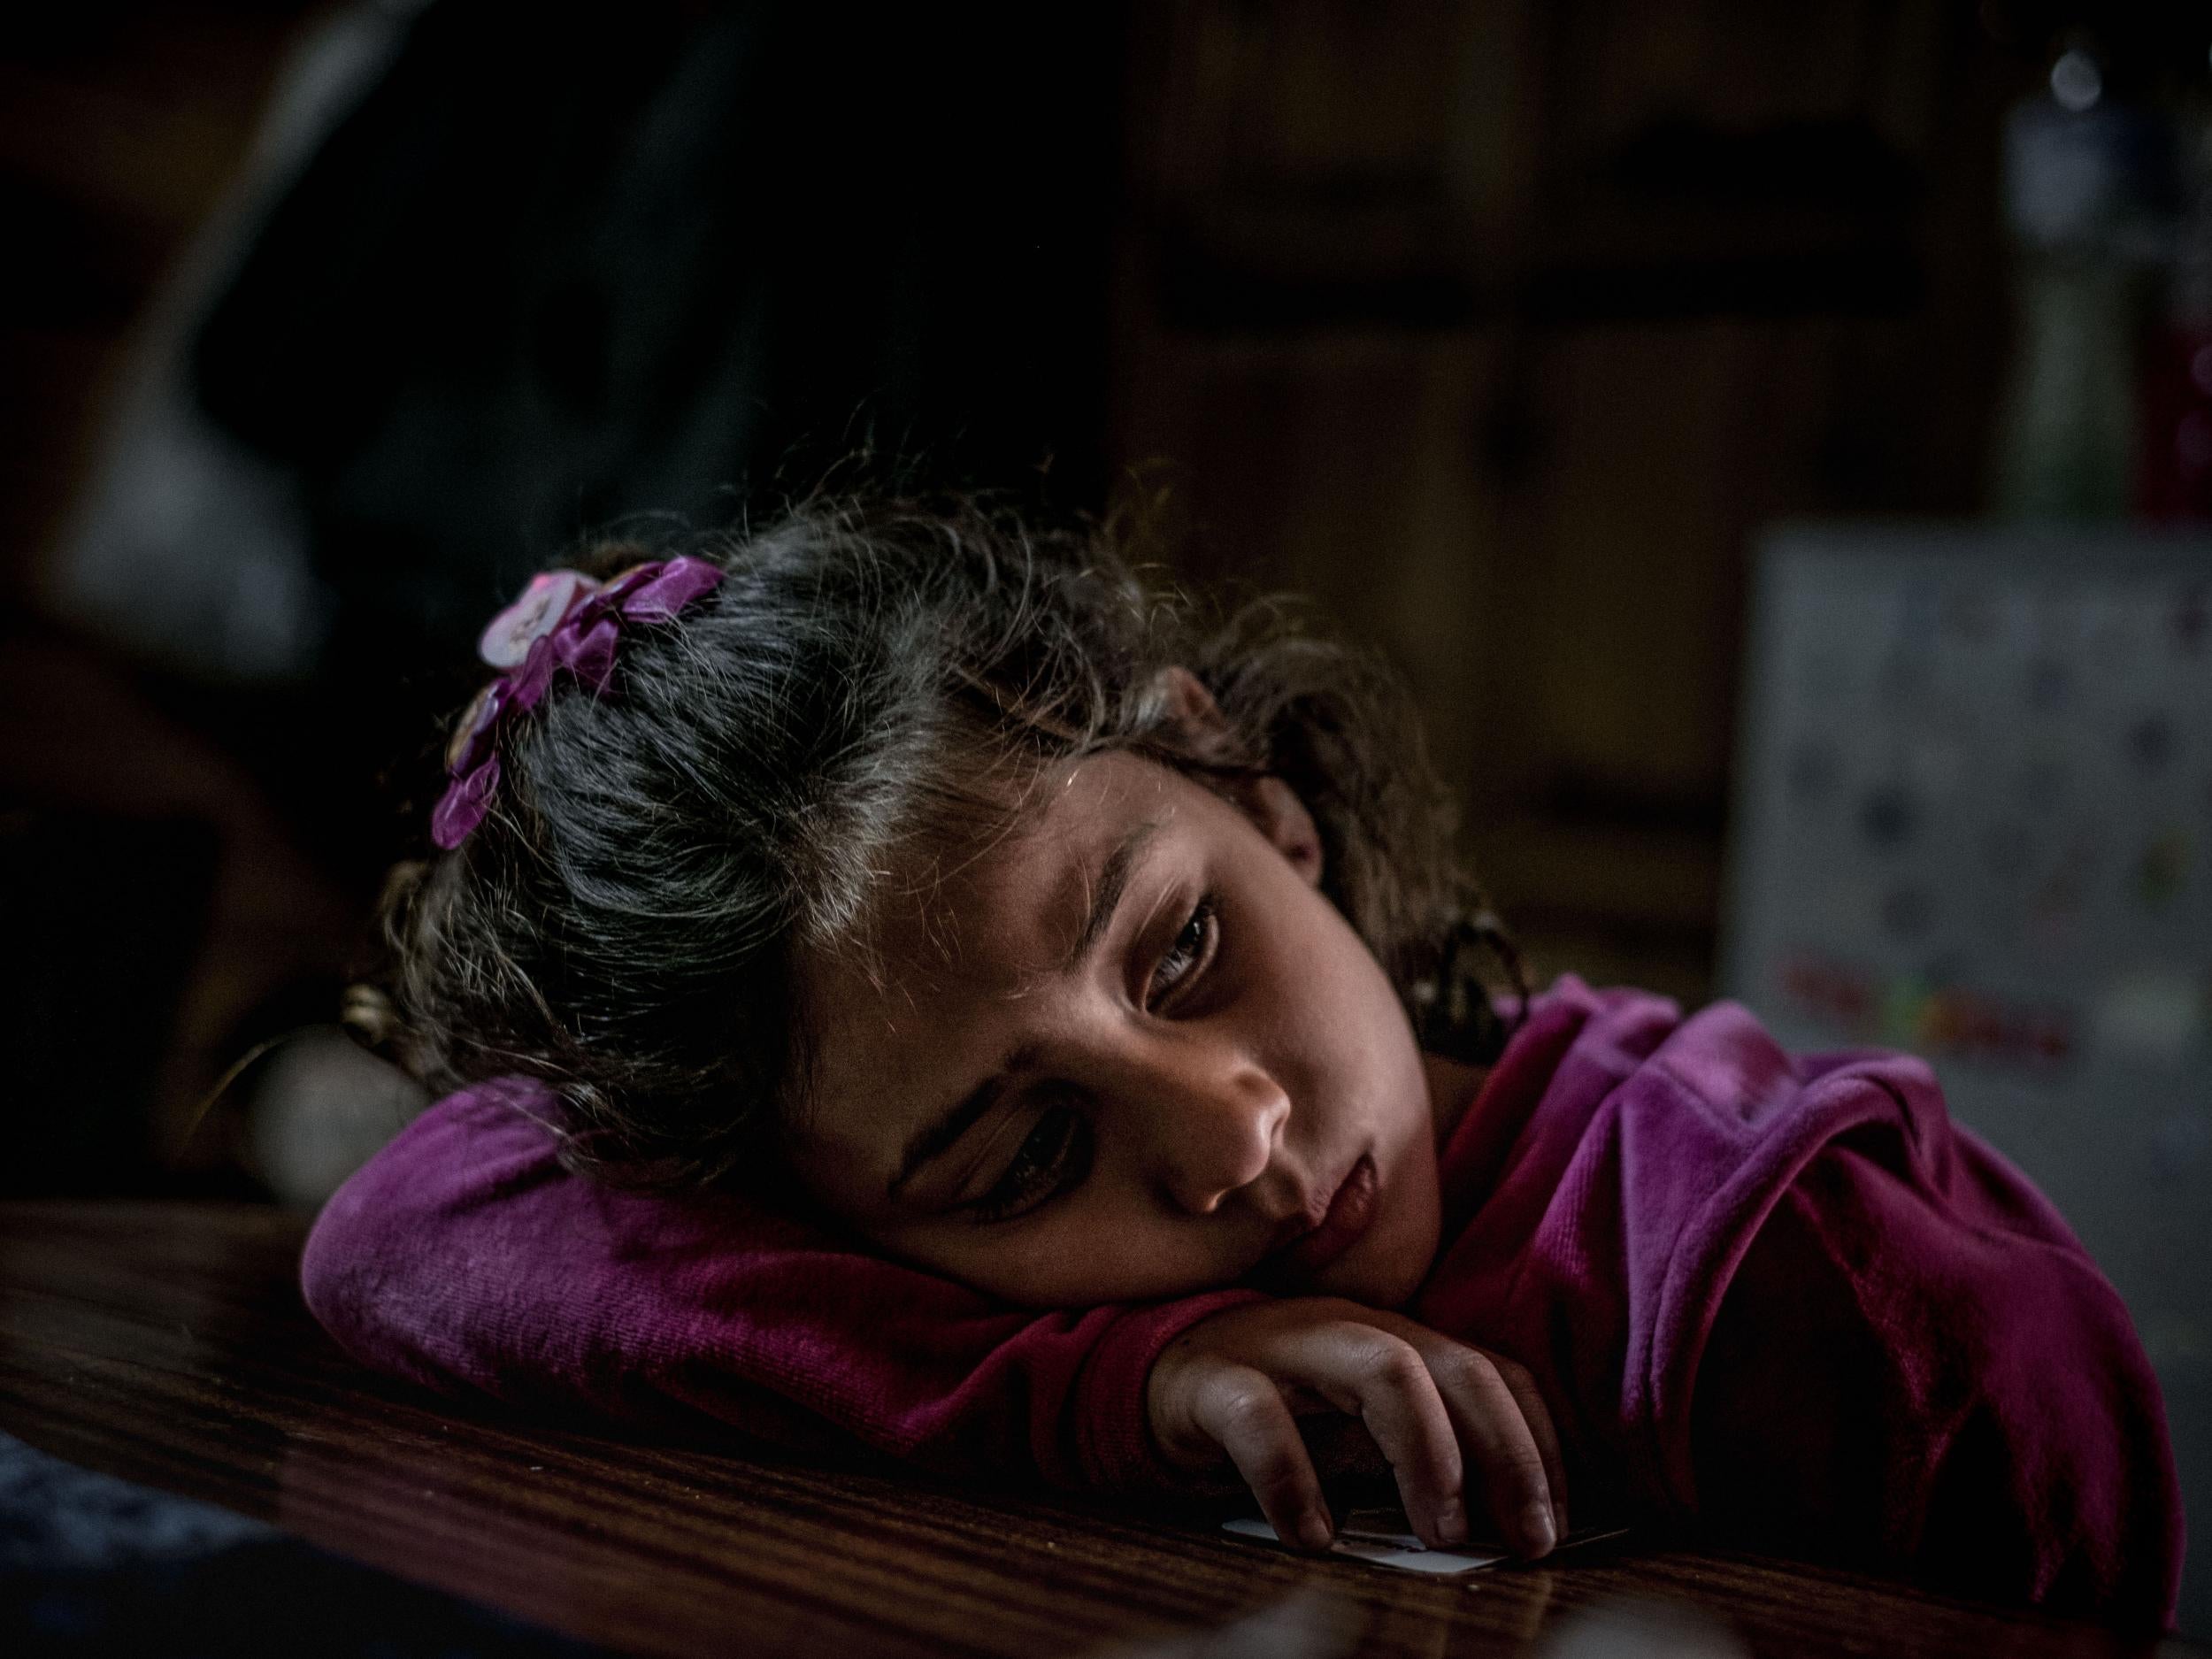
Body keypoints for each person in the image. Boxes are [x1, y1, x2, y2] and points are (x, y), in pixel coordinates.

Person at [302, 495, 2184, 1628]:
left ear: (1251, 792)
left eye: (1180, 947)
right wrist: (1122, 1382)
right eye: (1028, 1160)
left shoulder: (1788, 1272)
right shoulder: (896, 1242)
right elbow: (395, 1224)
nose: (1231, 1133)